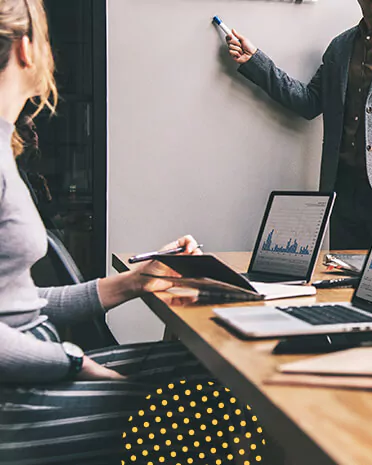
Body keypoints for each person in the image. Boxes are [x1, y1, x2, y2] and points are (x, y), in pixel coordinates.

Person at [0, 1, 263, 463]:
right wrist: (78, 365)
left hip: (34, 366)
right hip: (17, 398)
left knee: (231, 371)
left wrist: (136, 280)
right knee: (237, 412)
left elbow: (15, 306)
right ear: (27, 49)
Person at [226, 0, 372, 249]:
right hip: (342, 194)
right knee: (342, 283)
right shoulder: (339, 47)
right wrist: (256, 63)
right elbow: (309, 102)